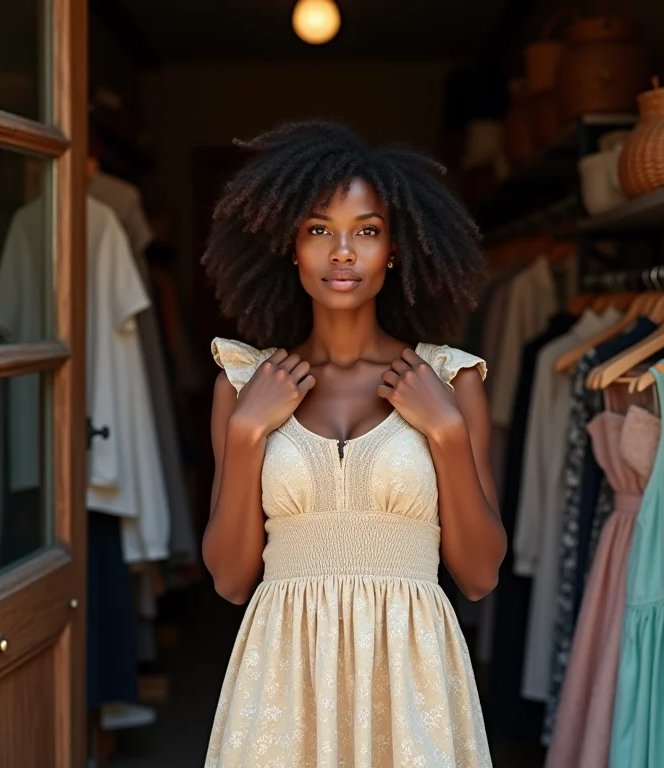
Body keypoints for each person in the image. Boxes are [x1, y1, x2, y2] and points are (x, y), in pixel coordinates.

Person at [201, 120, 506, 767]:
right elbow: (230, 579)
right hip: (281, 682)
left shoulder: (450, 380)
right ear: (292, 247)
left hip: (413, 681)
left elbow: (478, 576)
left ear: (394, 250)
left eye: (366, 231)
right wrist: (247, 431)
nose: (343, 252)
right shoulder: (243, 384)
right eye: (319, 230)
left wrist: (448, 433)